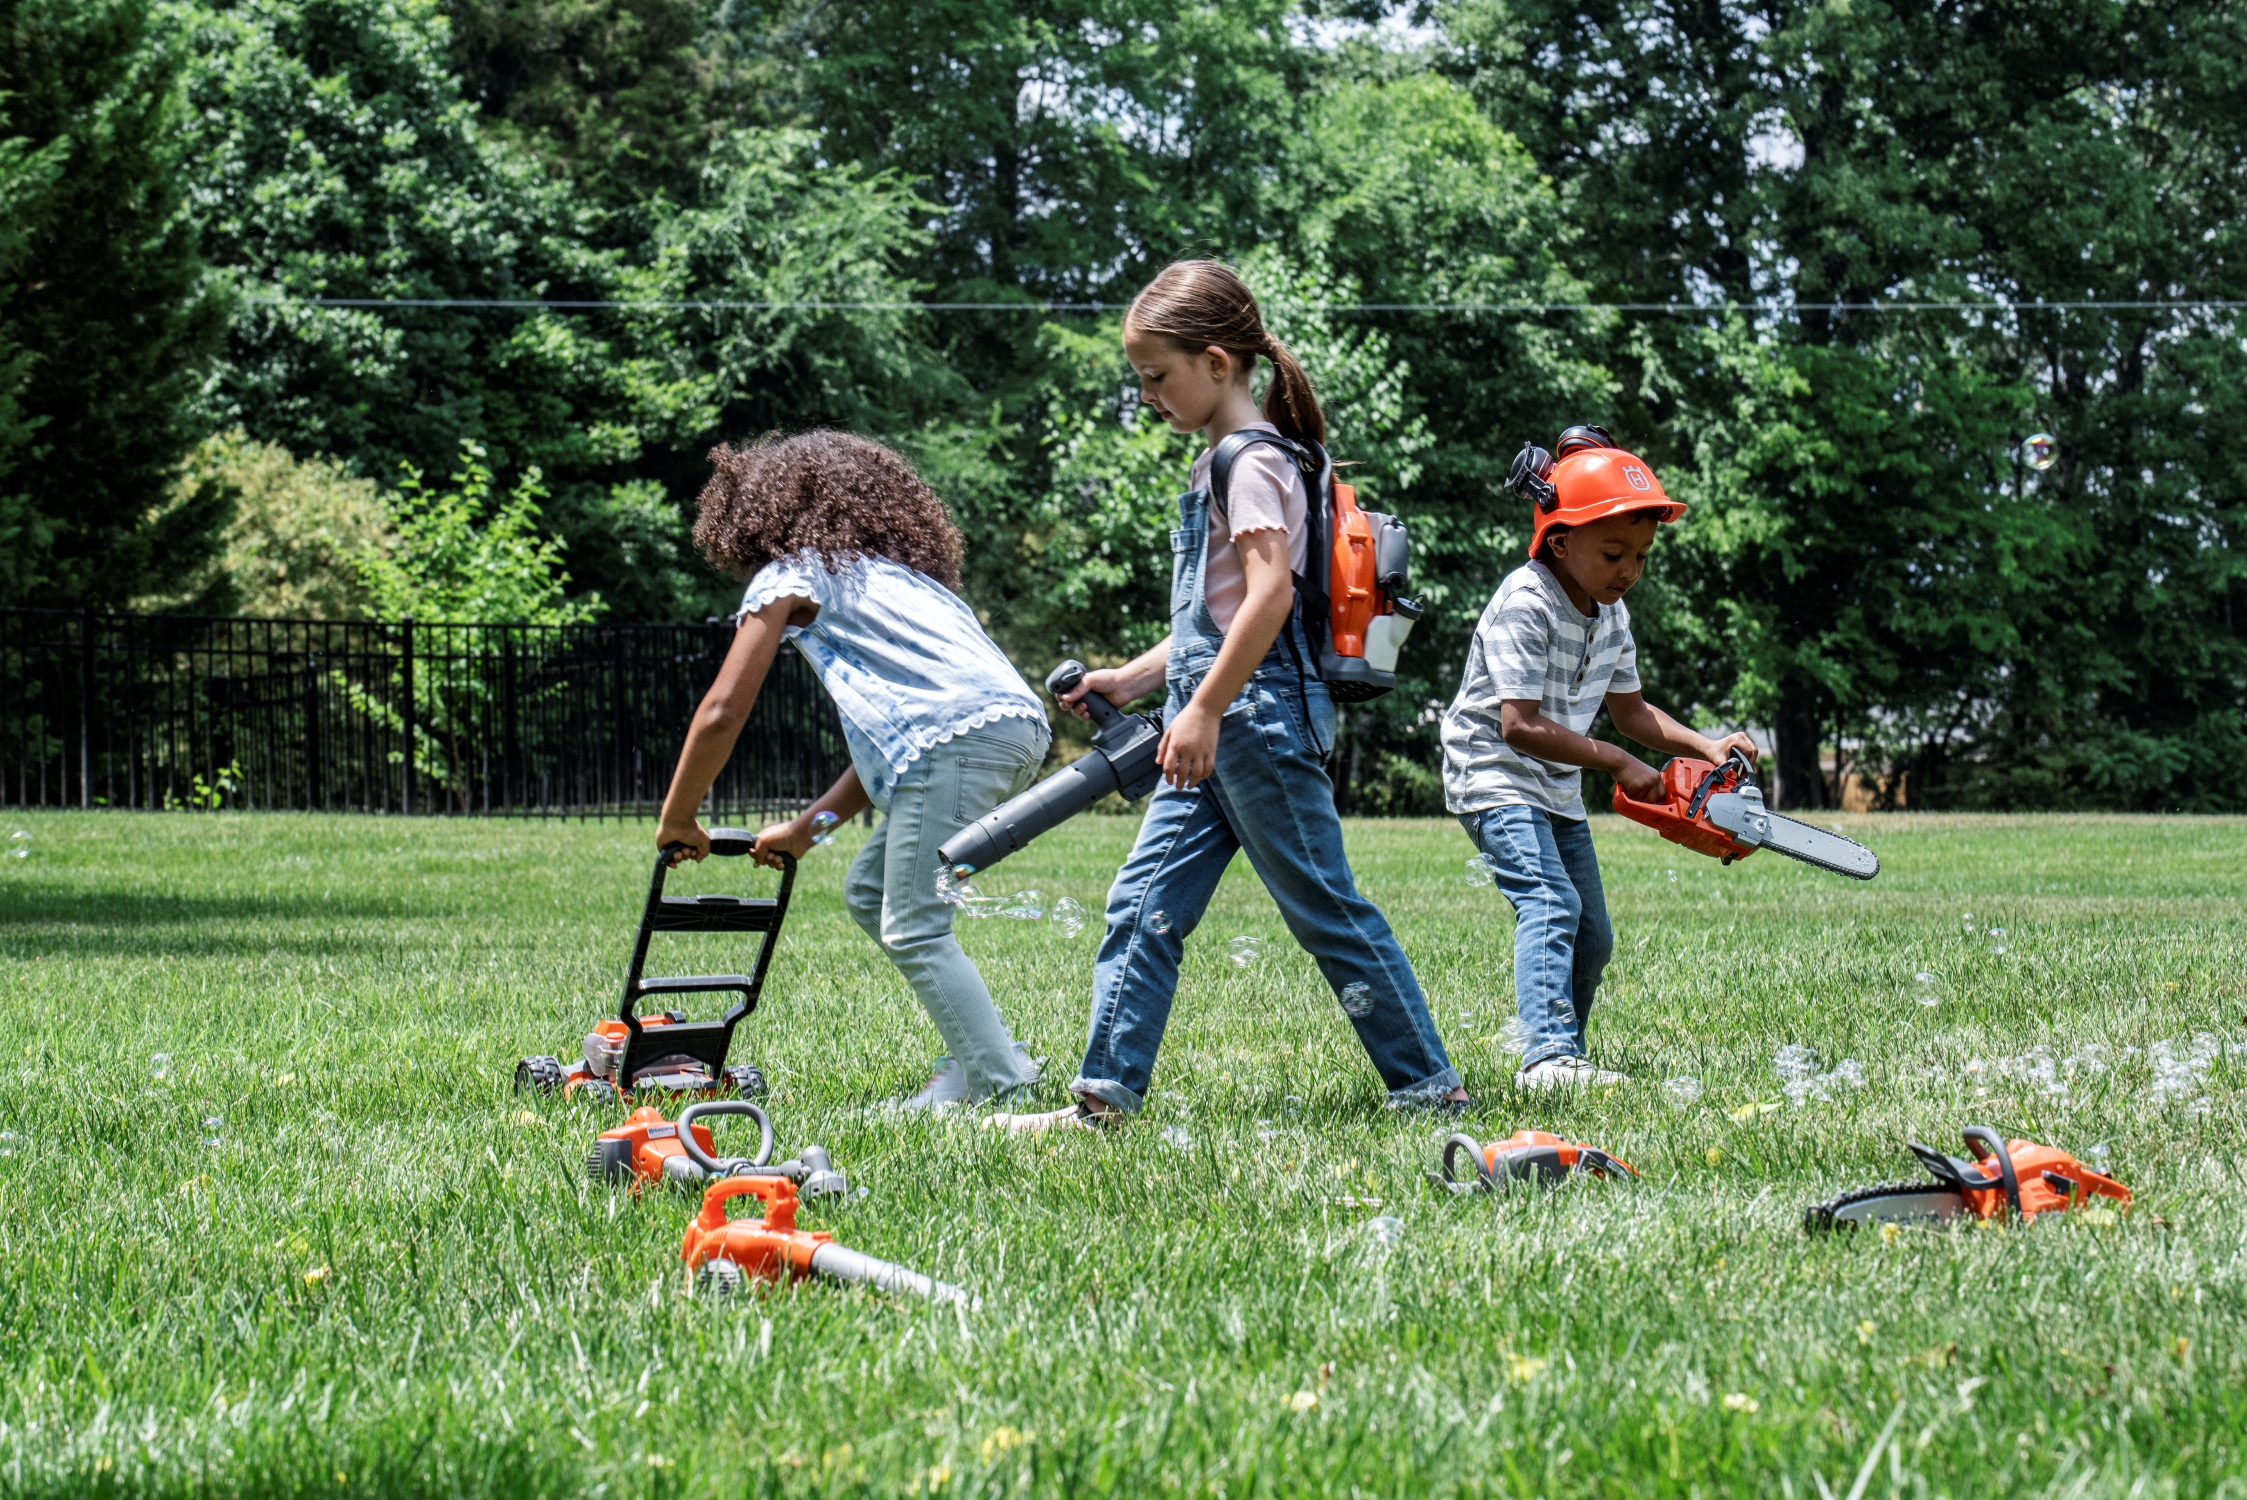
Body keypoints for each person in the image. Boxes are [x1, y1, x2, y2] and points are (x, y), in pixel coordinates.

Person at [993, 259, 1471, 1131]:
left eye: (1156, 375)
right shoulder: (1225, 464)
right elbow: (1216, 619)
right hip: (1212, 720)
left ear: (1216, 363)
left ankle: (1430, 1087)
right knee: (1141, 906)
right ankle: (1103, 1098)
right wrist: (1134, 680)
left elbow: (1270, 599)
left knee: (1323, 904)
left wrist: (1204, 708)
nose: (1148, 396)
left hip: (1252, 723)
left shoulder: (1246, 463)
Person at [654, 430, 1050, 1110]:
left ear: (753, 516)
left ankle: (1002, 1081)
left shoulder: (791, 575)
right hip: (1011, 731)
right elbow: (896, 746)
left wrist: (678, 814)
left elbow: (722, 711)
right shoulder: (901, 583)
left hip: (953, 743)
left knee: (914, 925)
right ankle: (973, 1057)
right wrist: (810, 828)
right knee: (873, 893)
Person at [1442, 426, 1758, 1089]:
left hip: (1553, 784)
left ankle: (1564, 1057)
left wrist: (1706, 744)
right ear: (1559, 541)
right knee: (1551, 903)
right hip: (1492, 773)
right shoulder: (1524, 604)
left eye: (1641, 555)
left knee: (1592, 937)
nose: (1629, 571)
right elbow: (1517, 727)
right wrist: (1616, 763)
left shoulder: (1611, 616)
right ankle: (1547, 1060)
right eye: (1614, 553)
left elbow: (1631, 712)